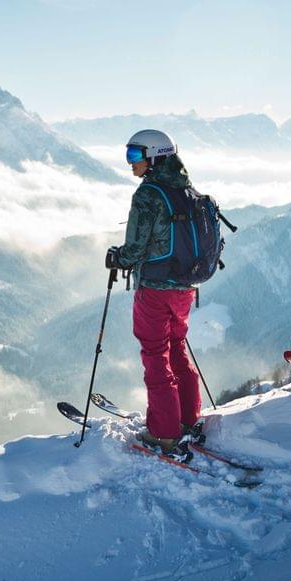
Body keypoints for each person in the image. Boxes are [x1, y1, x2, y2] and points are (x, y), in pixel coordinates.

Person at [105, 129, 202, 455]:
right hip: (185, 288)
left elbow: (134, 250)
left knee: (155, 355)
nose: (130, 163)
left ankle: (164, 434)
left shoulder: (148, 195)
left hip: (156, 289)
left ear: (155, 155)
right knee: (176, 348)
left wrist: (116, 257)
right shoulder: (185, 189)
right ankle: (189, 420)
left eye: (135, 155)